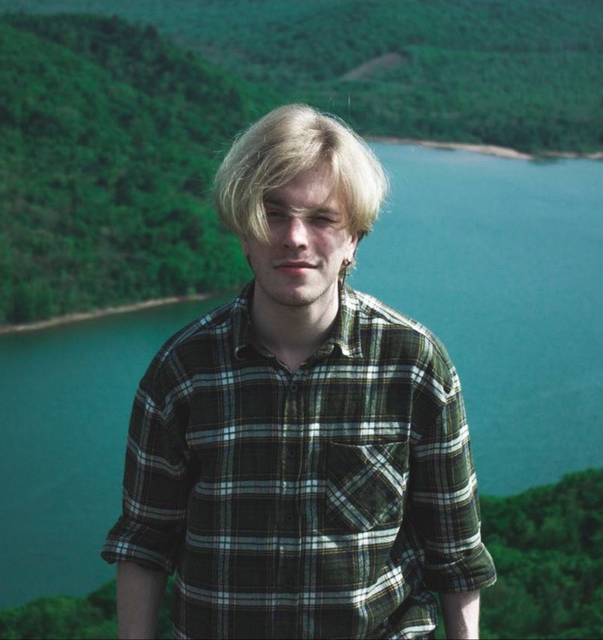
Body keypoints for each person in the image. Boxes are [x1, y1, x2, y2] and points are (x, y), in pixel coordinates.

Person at [101, 103, 497, 639]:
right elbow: (144, 543)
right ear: (243, 230)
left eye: (322, 218)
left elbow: (456, 554)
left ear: (354, 237)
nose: (295, 237)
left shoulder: (413, 366)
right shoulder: (184, 372)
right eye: (273, 214)